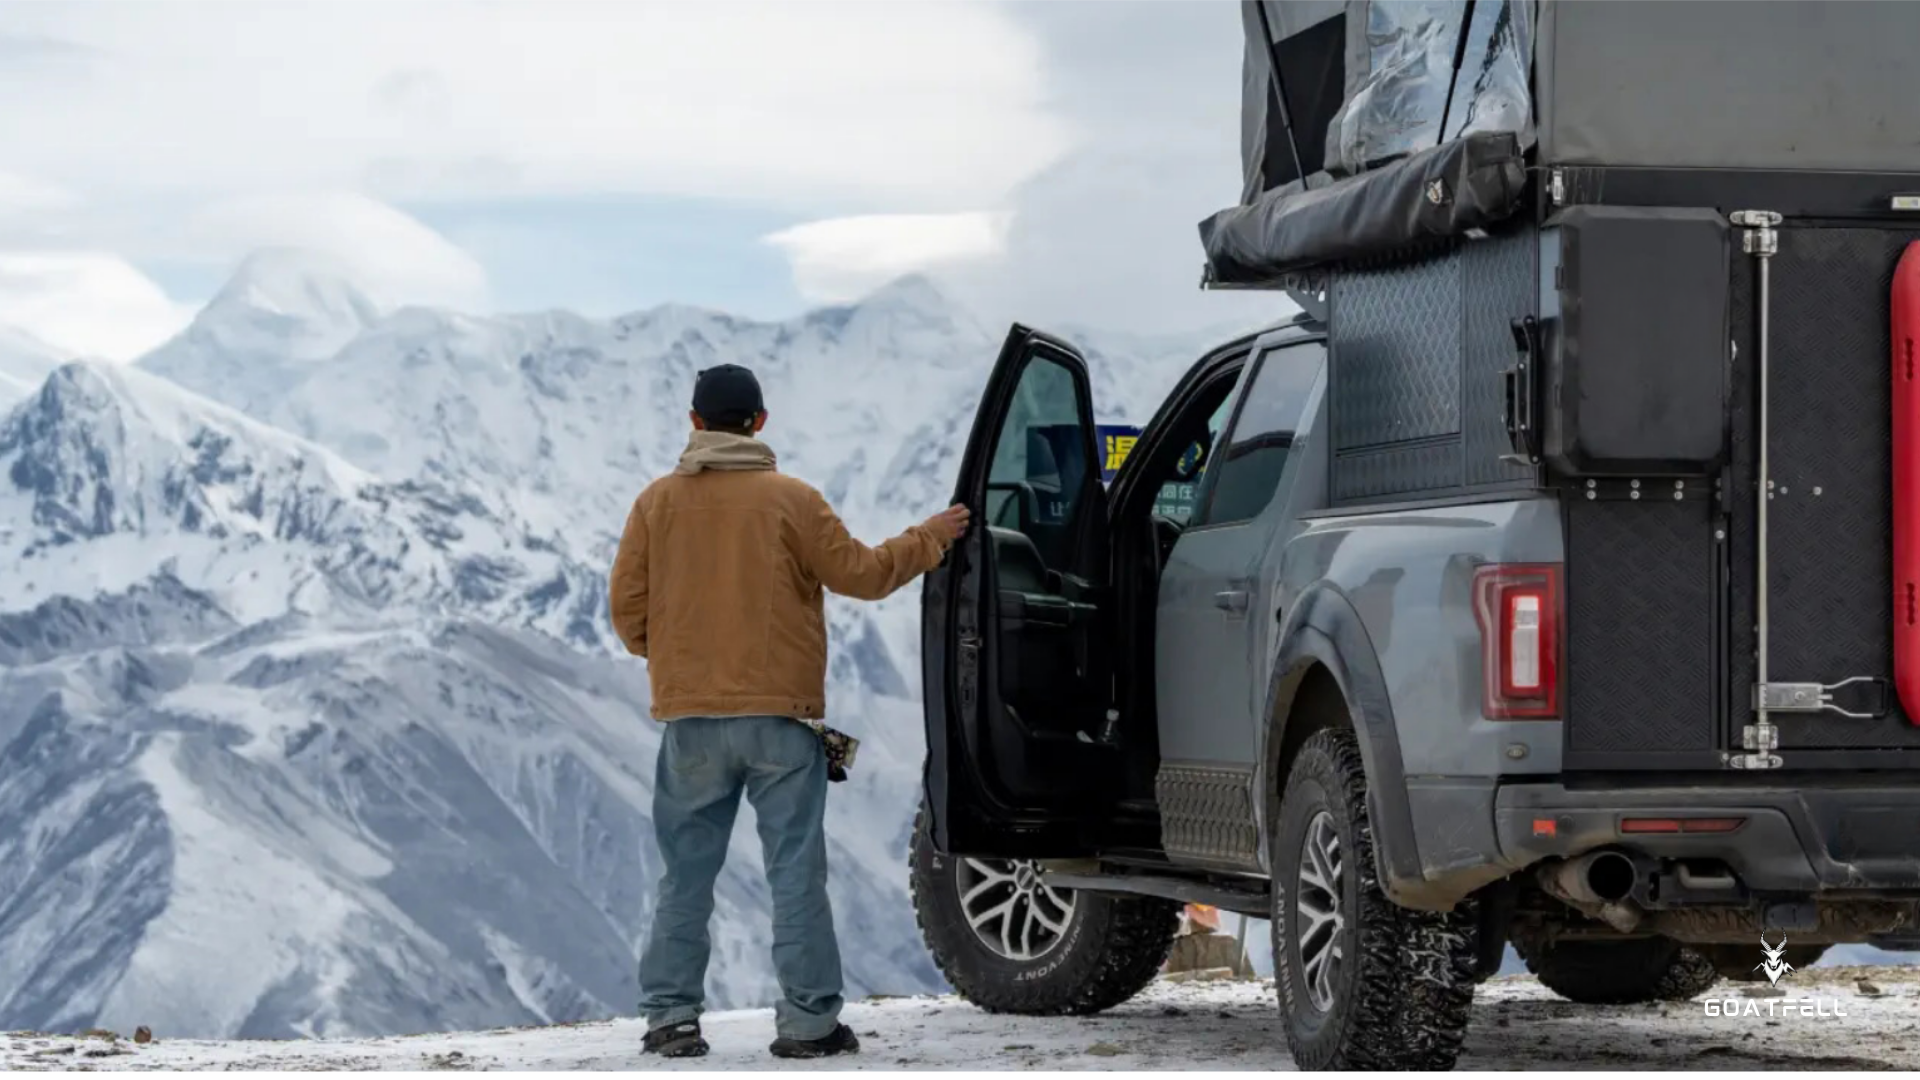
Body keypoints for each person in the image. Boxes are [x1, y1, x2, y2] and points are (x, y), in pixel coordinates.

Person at [608, 363, 970, 1060]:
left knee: (685, 876)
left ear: (693, 423)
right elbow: (864, 575)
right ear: (760, 424)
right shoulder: (792, 501)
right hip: (783, 721)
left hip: (689, 724)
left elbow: (627, 617)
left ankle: (671, 1019)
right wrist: (930, 536)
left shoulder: (655, 504)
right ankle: (807, 1025)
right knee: (795, 874)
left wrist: (681, 663)